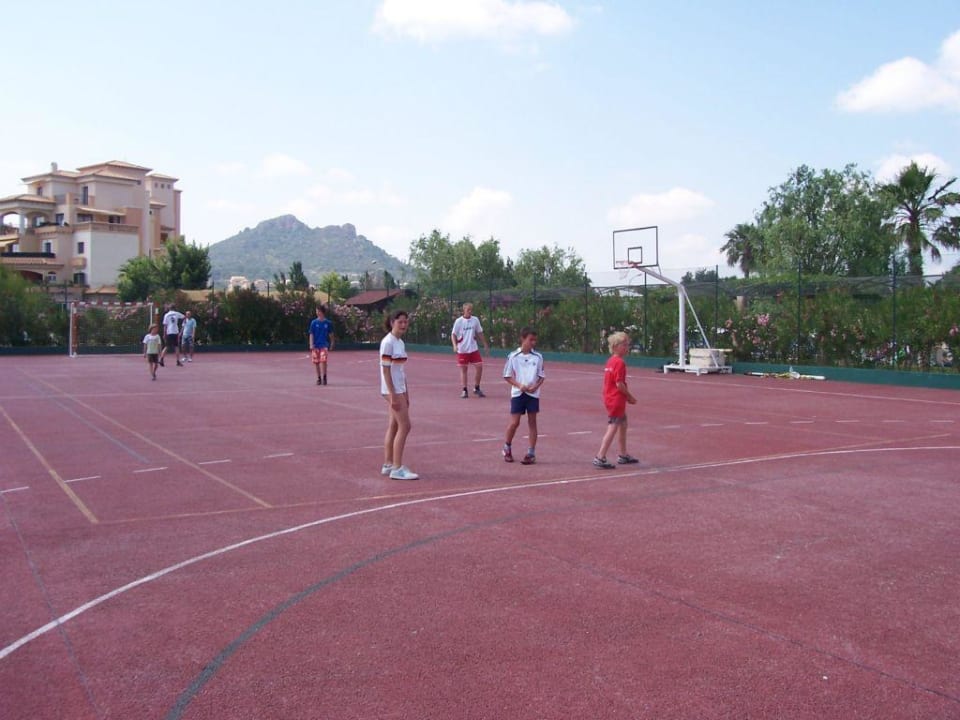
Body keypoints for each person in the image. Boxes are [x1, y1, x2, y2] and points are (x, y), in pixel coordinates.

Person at [380, 310, 418, 480]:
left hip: (399, 389)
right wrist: (393, 395)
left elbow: (401, 371)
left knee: (394, 426)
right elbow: (386, 371)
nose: (403, 325)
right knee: (406, 426)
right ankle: (397, 468)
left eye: (405, 322)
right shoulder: (387, 342)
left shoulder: (399, 343)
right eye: (400, 322)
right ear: (392, 322)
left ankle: (388, 463)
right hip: (392, 390)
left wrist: (406, 392)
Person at [593, 331, 639, 468]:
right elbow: (619, 384)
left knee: (623, 423)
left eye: (627, 345)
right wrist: (629, 396)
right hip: (616, 399)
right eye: (624, 345)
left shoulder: (611, 361)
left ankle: (623, 454)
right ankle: (600, 456)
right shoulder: (619, 363)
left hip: (610, 397)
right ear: (615, 346)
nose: (626, 348)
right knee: (613, 426)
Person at [502, 327, 545, 465]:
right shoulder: (513, 356)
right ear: (523, 339)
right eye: (530, 339)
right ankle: (507, 447)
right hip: (518, 393)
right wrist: (519, 385)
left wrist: (535, 387)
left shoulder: (538, 357)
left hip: (533, 395)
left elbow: (541, 376)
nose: (533, 342)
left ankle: (531, 453)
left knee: (532, 422)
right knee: (515, 422)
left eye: (535, 340)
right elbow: (507, 375)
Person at [451, 302, 490, 398]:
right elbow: (453, 334)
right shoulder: (459, 321)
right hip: (463, 349)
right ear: (463, 310)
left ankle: (476, 388)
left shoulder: (475, 320)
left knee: (479, 366)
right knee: (464, 370)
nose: (470, 311)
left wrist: (485, 344)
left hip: (473, 348)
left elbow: (480, 332)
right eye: (468, 309)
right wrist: (455, 345)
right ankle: (464, 390)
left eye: (471, 309)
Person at [308, 305, 335, 385]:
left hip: (324, 345)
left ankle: (324, 377)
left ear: (322, 312)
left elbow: (331, 334)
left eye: (318, 311)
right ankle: (319, 378)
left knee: (323, 361)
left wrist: (332, 342)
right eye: (316, 311)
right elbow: (311, 334)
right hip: (316, 345)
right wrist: (311, 344)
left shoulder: (328, 323)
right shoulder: (313, 323)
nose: (317, 313)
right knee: (316, 362)